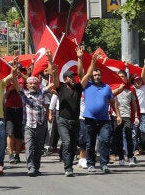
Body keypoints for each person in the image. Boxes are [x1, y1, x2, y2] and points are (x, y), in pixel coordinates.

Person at [80, 51, 122, 173]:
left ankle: (104, 164)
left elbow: (113, 102)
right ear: (92, 76)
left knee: (104, 141)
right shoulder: (87, 85)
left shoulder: (107, 87)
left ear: (101, 75)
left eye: (98, 74)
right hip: (90, 119)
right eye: (95, 75)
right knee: (90, 143)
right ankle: (91, 164)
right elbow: (82, 73)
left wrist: (118, 115)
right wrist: (92, 62)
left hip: (104, 120)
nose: (97, 76)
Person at [51, 46, 84, 177]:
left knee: (72, 145)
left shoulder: (78, 88)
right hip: (63, 121)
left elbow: (82, 74)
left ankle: (69, 163)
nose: (73, 78)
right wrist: (54, 72)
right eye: (70, 77)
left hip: (75, 121)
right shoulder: (61, 88)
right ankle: (68, 167)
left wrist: (80, 57)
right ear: (65, 79)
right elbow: (54, 82)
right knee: (67, 142)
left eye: (73, 76)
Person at [112, 70, 138, 166]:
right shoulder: (114, 88)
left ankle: (130, 157)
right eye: (119, 76)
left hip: (126, 116)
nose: (121, 78)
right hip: (116, 116)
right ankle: (121, 158)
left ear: (126, 78)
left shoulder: (131, 89)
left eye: (123, 76)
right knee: (118, 137)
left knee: (128, 136)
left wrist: (136, 116)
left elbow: (134, 104)